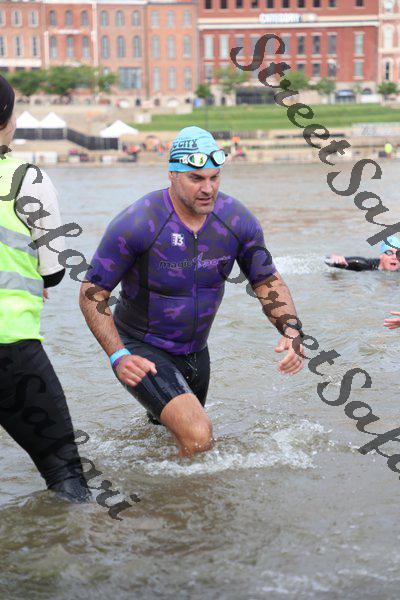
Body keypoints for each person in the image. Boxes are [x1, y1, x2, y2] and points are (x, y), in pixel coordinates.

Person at [79, 126, 304, 457]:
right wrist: (117, 355)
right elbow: (92, 292)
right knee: (198, 434)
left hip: (197, 353)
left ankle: (159, 489)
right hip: (142, 349)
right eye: (196, 178)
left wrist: (291, 328)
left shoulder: (236, 220)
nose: (208, 188)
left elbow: (266, 280)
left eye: (214, 178)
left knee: (169, 443)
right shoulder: (139, 222)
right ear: (172, 174)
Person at [0, 75, 90, 502]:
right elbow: (52, 272)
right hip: (10, 345)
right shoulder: (25, 179)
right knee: (64, 470)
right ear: (6, 118)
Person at [326, 236, 400, 272]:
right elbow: (327, 260)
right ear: (381, 256)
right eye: (389, 253)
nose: (394, 257)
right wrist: (334, 259)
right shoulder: (367, 265)